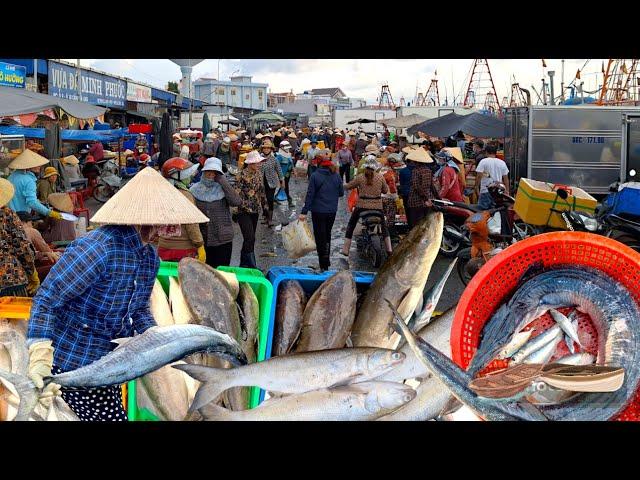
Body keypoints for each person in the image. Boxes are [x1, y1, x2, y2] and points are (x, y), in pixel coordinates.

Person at [26, 167, 208, 422]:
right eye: (166, 222)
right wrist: (40, 353)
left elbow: (138, 308)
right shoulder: (97, 249)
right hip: (72, 362)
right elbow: (47, 300)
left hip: (110, 363)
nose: (174, 230)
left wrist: (154, 337)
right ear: (142, 218)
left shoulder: (148, 257)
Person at [190, 157, 242, 268]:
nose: (211, 174)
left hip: (223, 240)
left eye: (215, 172)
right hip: (203, 240)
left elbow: (236, 202)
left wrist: (223, 181)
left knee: (222, 273)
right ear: (203, 172)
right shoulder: (194, 190)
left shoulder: (223, 189)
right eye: (208, 171)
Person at [299, 155, 344, 271]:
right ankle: (326, 260)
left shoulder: (315, 176)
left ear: (319, 164)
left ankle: (323, 263)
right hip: (331, 211)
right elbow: (341, 193)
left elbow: (310, 195)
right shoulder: (337, 176)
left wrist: (304, 212)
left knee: (320, 236)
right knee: (327, 234)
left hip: (318, 211)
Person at [341, 156, 393, 257]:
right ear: (375, 167)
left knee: (351, 225)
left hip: (361, 206)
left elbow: (348, 186)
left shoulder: (360, 177)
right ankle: (389, 249)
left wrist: (343, 185)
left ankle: (345, 249)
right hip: (378, 207)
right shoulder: (380, 177)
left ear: (365, 167)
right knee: (384, 226)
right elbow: (385, 190)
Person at [157, 157, 205, 262]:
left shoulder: (160, 194)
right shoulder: (185, 195)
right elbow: (191, 223)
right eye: (187, 175)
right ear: (178, 177)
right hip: (184, 250)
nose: (190, 177)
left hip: (162, 248)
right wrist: (200, 244)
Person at [0, 178, 37, 297]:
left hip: (9, 278)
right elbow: (22, 247)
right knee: (16, 315)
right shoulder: (7, 214)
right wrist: (32, 272)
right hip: (10, 277)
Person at [7, 150, 62, 222]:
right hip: (21, 217)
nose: (39, 167)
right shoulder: (29, 180)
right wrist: (49, 212)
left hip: (9, 215)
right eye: (36, 164)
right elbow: (32, 202)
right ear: (29, 166)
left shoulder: (11, 176)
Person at [235, 151, 267, 269]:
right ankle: (252, 265)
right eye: (257, 162)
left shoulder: (259, 174)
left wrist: (265, 207)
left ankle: (244, 264)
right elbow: (236, 194)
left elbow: (261, 191)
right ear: (251, 163)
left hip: (255, 209)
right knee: (250, 237)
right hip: (243, 211)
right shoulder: (241, 175)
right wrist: (235, 211)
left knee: (250, 238)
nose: (259, 164)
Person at [17, 211, 60, 282]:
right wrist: (47, 253)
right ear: (26, 222)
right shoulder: (31, 231)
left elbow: (24, 254)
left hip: (15, 271)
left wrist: (43, 254)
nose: (32, 225)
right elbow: (46, 250)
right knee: (57, 267)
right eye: (31, 222)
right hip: (24, 274)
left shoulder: (10, 233)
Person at [405, 147, 435, 229]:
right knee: (425, 224)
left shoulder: (416, 171)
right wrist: (430, 199)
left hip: (416, 201)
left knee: (415, 225)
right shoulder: (428, 170)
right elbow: (432, 186)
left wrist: (425, 199)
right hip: (427, 200)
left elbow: (416, 186)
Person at [475, 143, 509, 210]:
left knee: (482, 213)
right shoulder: (502, 162)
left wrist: (476, 187)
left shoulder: (483, 161)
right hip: (498, 192)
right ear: (495, 153)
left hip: (485, 191)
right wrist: (507, 191)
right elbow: (506, 179)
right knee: (496, 212)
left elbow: (479, 176)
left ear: (486, 152)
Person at [260, 139, 285, 227]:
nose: (266, 149)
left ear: (271, 149)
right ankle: (265, 216)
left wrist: (282, 181)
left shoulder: (274, 159)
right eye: (264, 148)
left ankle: (270, 219)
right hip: (260, 183)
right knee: (263, 200)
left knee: (270, 200)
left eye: (268, 148)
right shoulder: (259, 158)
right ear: (262, 149)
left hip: (271, 183)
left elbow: (279, 171)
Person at [275, 140, 295, 207]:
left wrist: (294, 170)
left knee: (283, 187)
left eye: (288, 147)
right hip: (282, 175)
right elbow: (276, 166)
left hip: (288, 174)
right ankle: (290, 201)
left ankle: (275, 198)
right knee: (285, 187)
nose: (288, 149)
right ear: (282, 147)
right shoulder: (279, 156)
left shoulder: (288, 154)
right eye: (286, 147)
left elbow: (291, 163)